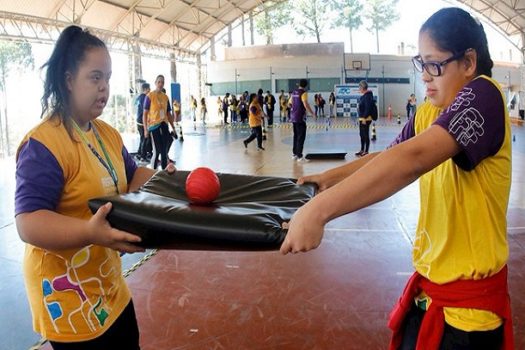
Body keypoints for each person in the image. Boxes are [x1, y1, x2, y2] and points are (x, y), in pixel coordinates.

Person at [280, 7, 513, 350]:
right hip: (429, 296)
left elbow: (411, 159)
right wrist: (328, 179)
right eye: (422, 64)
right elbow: (389, 155)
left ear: (468, 62)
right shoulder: (430, 112)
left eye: (435, 64)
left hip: (469, 317)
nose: (426, 76)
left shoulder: (485, 96)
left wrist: (319, 212)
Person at [14, 25, 176, 350]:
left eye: (108, 78)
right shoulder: (44, 143)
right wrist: (90, 232)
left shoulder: (107, 135)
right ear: (69, 79)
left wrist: (167, 180)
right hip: (67, 294)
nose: (104, 88)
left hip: (108, 282)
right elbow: (28, 221)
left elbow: (130, 178)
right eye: (95, 77)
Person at [143, 75, 176, 169]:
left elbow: (168, 114)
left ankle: (164, 175)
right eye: (159, 82)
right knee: (157, 151)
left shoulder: (165, 97)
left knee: (164, 151)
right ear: (155, 83)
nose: (161, 84)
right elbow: (144, 114)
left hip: (164, 126)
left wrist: (173, 127)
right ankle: (152, 174)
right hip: (154, 127)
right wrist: (145, 129)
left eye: (162, 82)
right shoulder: (149, 96)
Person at [290, 79, 315, 161]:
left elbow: (289, 103)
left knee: (296, 136)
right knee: (301, 137)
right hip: (300, 118)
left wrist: (294, 110)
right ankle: (300, 156)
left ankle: (294, 154)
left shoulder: (293, 92)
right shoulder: (303, 93)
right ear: (306, 86)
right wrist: (312, 113)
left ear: (299, 84)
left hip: (293, 117)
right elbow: (305, 104)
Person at [355, 80, 374, 157]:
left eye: (359, 87)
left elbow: (368, 108)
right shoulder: (364, 96)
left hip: (365, 119)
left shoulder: (367, 96)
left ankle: (366, 151)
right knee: (361, 134)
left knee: (365, 135)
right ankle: (362, 149)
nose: (359, 89)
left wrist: (364, 118)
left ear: (362, 87)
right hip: (362, 119)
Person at [135, 82, 151, 162]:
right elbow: (146, 110)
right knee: (144, 139)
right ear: (145, 89)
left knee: (142, 138)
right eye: (149, 88)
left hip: (138, 120)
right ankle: (143, 156)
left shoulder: (139, 97)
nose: (150, 90)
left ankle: (139, 154)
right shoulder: (145, 97)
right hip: (142, 121)